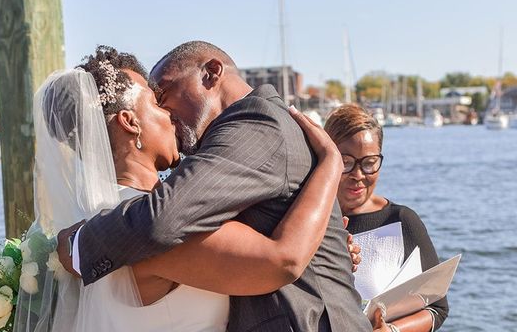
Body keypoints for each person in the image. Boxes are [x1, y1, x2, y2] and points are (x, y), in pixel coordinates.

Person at [58, 41, 371, 332]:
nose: (166, 112)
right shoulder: (137, 208)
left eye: (163, 95)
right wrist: (330, 166)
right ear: (129, 123)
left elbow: (165, 219)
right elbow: (277, 255)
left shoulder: (255, 122)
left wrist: (80, 244)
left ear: (211, 72)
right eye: (156, 103)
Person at [324, 104, 449, 332]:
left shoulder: (401, 220)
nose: (358, 175)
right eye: (346, 162)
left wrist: (392, 331)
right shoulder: (305, 221)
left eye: (370, 163)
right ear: (326, 157)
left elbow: (437, 308)